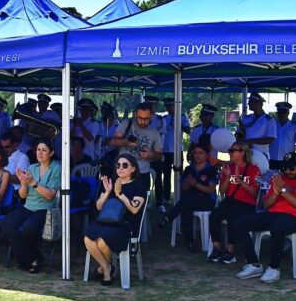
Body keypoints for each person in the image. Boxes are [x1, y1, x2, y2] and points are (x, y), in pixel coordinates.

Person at [234, 152, 296, 283]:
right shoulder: (280, 178)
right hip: (273, 213)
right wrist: (274, 194)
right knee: (239, 222)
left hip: (295, 217)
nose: (288, 171)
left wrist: (283, 191)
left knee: (277, 226)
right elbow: (266, 204)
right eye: (285, 168)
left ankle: (274, 267)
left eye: (292, 168)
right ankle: (253, 264)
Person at [84, 153, 147, 285]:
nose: (120, 168)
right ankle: (107, 267)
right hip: (104, 221)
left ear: (133, 169)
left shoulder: (139, 186)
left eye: (125, 165)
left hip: (125, 224)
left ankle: (104, 270)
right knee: (88, 238)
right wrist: (107, 192)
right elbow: (99, 206)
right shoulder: (109, 183)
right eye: (118, 165)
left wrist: (120, 194)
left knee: (101, 241)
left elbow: (135, 209)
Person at [0, 139, 61, 273]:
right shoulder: (32, 168)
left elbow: (50, 195)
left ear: (51, 153)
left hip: (46, 207)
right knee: (6, 223)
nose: (40, 152)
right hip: (29, 205)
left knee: (28, 228)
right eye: (38, 149)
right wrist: (22, 182)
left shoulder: (56, 168)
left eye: (44, 150)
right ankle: (33, 258)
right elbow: (23, 195)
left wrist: (33, 182)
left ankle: (30, 260)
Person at [207, 141, 260, 264]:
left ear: (242, 152)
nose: (229, 153)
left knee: (233, 216)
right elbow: (222, 191)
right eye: (229, 150)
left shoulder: (253, 169)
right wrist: (227, 178)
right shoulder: (228, 167)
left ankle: (231, 251)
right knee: (214, 215)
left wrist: (240, 181)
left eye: (232, 151)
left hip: (247, 203)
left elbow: (255, 193)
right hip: (230, 200)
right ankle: (217, 248)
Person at [157, 143, 217, 252]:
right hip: (190, 200)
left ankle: (168, 218)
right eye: (195, 153)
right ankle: (190, 242)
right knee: (186, 208)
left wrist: (196, 184)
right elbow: (184, 188)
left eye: (200, 153)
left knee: (186, 202)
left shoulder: (211, 170)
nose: (197, 155)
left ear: (207, 155)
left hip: (207, 201)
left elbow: (211, 190)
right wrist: (188, 184)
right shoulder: (189, 169)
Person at [112, 102, 163, 191]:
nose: (143, 121)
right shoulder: (127, 124)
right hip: (122, 171)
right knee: (119, 201)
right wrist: (126, 142)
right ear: (135, 114)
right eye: (140, 118)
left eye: (146, 119)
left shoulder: (154, 133)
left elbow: (159, 156)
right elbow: (112, 141)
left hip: (142, 173)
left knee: (140, 202)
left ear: (151, 116)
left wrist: (151, 155)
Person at [160, 97, 192, 211]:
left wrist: (181, 125)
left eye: (171, 105)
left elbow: (189, 131)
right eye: (167, 106)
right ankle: (166, 197)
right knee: (166, 175)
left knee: (179, 174)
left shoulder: (182, 117)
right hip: (166, 150)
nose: (169, 108)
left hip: (177, 149)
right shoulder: (164, 118)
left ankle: (180, 196)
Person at [237, 92, 276, 159]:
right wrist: (240, 134)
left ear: (259, 103)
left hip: (261, 154)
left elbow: (270, 139)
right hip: (246, 153)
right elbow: (239, 135)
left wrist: (250, 141)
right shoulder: (246, 118)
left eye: (251, 101)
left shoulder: (269, 120)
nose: (248, 104)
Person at [268, 102, 296, 170]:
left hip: (288, 159)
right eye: (279, 112)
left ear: (288, 113)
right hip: (272, 157)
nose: (281, 114)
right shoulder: (272, 124)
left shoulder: (294, 126)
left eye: (284, 112)